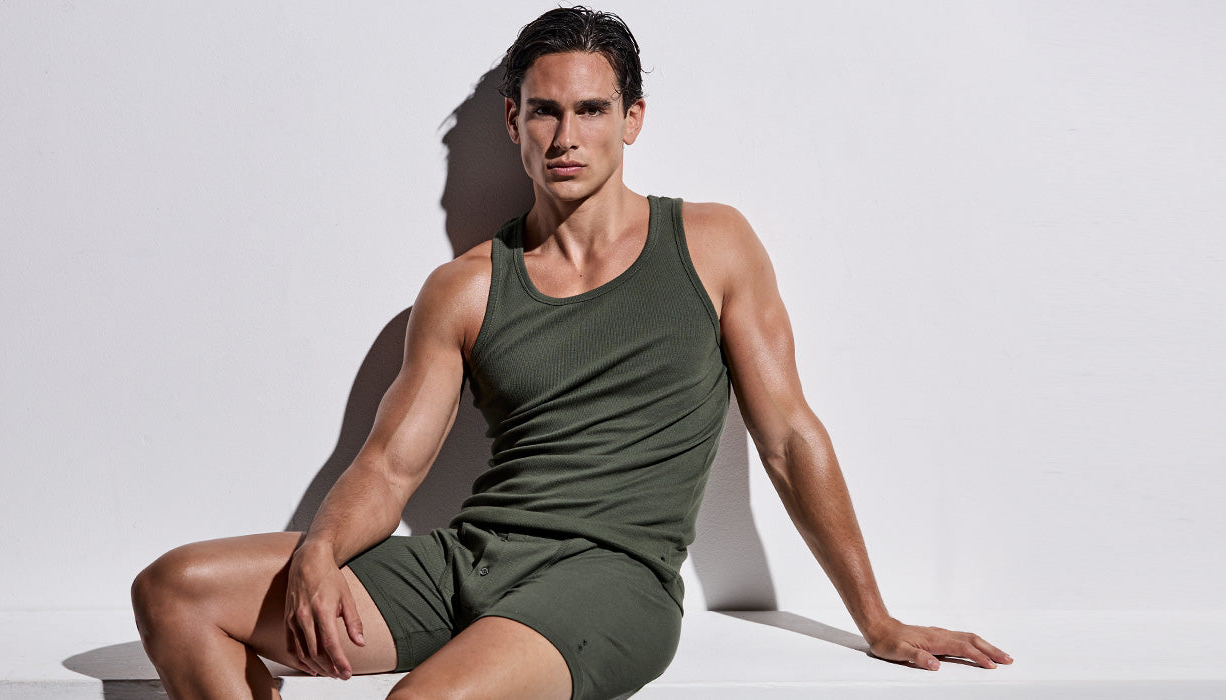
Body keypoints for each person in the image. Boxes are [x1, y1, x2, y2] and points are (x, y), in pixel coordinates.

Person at [131, 7, 1013, 700]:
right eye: (545, 111)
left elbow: (788, 438)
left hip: (610, 582)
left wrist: (876, 619)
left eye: (591, 110)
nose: (566, 137)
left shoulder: (713, 244)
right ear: (513, 120)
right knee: (175, 591)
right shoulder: (465, 287)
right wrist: (320, 551)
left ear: (632, 120)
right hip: (469, 559)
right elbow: (391, 465)